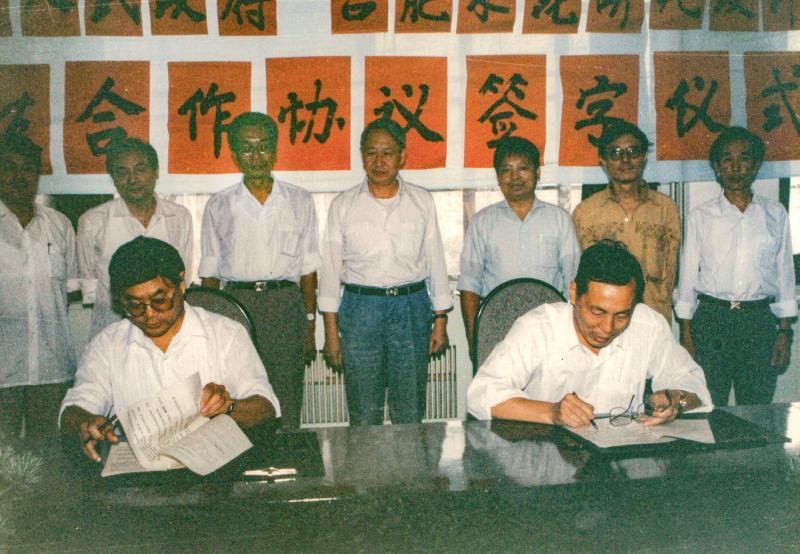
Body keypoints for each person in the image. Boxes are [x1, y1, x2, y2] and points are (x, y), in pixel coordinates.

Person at [60, 236, 280, 462]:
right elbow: (75, 408)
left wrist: (229, 407)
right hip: (139, 475)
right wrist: (85, 422)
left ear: (181, 283)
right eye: (134, 305)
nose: (149, 314)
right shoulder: (107, 345)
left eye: (159, 300)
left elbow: (265, 409)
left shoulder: (226, 334)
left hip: (214, 469)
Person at [467, 240, 711, 427]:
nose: (607, 328)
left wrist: (676, 399)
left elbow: (694, 385)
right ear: (574, 293)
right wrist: (552, 412)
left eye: (622, 315)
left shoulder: (648, 325)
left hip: (619, 459)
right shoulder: (538, 327)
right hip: (547, 456)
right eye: (597, 311)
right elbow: (481, 393)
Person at [319, 119, 451, 426]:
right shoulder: (343, 205)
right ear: (361, 156)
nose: (379, 161)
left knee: (410, 408)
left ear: (402, 156)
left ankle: (410, 460)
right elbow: (330, 272)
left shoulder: (421, 201)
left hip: (411, 307)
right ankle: (366, 461)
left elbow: (436, 261)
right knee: (364, 409)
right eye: (371, 153)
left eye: (387, 153)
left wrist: (440, 320)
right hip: (361, 309)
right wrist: (331, 334)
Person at [199, 112, 320, 430]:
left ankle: (286, 455)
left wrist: (309, 324)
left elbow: (308, 269)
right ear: (234, 153)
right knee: (238, 392)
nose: (256, 156)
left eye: (263, 146)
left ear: (275, 150)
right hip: (235, 305)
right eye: (246, 148)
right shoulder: (219, 204)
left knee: (286, 391)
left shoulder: (299, 200)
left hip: (284, 304)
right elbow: (210, 272)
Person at [674, 126, 796, 407]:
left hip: (758, 322)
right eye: (727, 159)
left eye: (744, 158)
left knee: (756, 407)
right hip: (712, 320)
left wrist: (784, 333)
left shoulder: (775, 214)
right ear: (717, 168)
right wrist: (687, 336)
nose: (736, 166)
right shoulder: (701, 216)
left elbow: (785, 276)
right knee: (708, 404)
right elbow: (688, 279)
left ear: (756, 165)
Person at [458, 136, 580, 354]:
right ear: (498, 177)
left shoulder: (559, 219)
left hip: (550, 325)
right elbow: (470, 284)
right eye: (506, 170)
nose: (515, 177)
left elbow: (573, 280)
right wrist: (473, 340)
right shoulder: (482, 222)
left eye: (523, 168)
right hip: (497, 325)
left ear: (537, 172)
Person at [0, 133, 79, 440]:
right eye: (10, 167)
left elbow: (67, 294)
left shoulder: (59, 225)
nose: (19, 177)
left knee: (48, 455)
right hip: (3, 370)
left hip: (52, 369)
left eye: (27, 169)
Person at [77, 137, 193, 337]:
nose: (132, 179)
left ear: (156, 171)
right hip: (113, 333)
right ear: (113, 178)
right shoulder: (92, 221)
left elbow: (184, 278)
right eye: (122, 172)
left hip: (166, 332)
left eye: (140, 169)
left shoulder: (179, 217)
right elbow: (90, 287)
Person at [572, 120, 681, 323]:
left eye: (633, 151)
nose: (625, 160)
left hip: (653, 319)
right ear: (603, 160)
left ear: (644, 157)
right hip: (605, 324)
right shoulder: (584, 213)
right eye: (615, 153)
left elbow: (672, 273)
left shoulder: (666, 209)